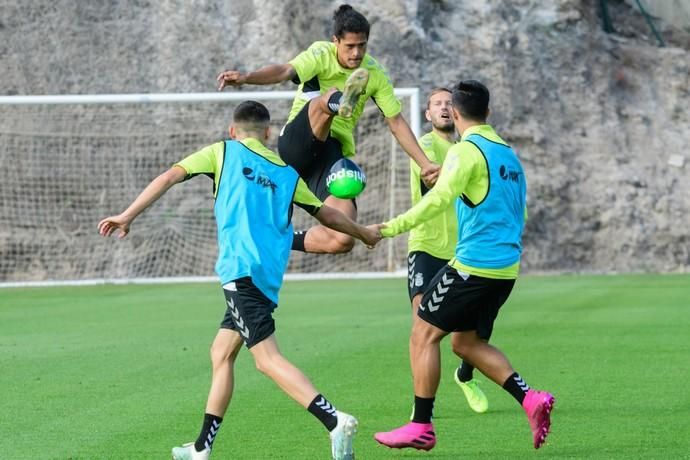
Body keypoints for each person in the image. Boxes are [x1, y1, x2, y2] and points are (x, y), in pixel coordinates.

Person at [97, 101, 382, 460]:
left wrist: (127, 215)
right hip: (265, 276)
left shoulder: (221, 151)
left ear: (233, 131)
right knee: (221, 352)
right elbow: (327, 215)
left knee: (266, 360)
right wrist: (362, 233)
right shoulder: (287, 172)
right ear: (267, 133)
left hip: (240, 271)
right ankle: (202, 447)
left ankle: (333, 420)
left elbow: (170, 176)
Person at [368, 81, 555, 451]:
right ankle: (530, 399)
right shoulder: (508, 153)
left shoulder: (465, 150)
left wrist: (388, 228)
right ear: (487, 112)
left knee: (422, 331)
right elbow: (521, 212)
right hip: (505, 270)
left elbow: (437, 201)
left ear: (454, 113)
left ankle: (421, 425)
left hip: (474, 265)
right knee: (465, 343)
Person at [216, 4, 439, 255]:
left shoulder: (374, 73)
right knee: (324, 100)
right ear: (335, 41)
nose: (356, 53)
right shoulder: (320, 53)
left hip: (329, 157)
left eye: (362, 45)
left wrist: (425, 164)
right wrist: (247, 77)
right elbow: (284, 71)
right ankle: (339, 102)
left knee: (343, 238)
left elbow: (396, 123)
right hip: (297, 144)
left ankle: (276, 237)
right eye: (350, 46)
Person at [407, 87, 489, 415]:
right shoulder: (423, 147)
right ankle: (422, 409)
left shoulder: (467, 149)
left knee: (473, 338)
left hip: (464, 251)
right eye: (436, 104)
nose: (443, 107)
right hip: (426, 247)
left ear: (456, 112)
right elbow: (430, 180)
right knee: (422, 329)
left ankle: (466, 375)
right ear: (428, 115)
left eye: (448, 103)